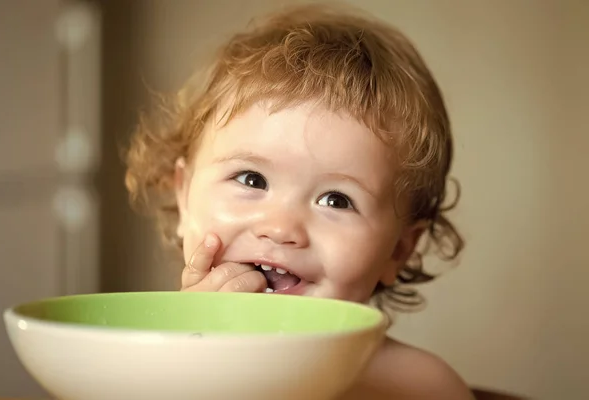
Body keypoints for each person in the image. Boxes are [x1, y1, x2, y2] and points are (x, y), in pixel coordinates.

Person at [125, 3, 471, 399]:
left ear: (398, 250)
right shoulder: (142, 369)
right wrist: (192, 363)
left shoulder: (420, 387)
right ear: (185, 198)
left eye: (337, 200)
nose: (280, 227)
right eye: (251, 179)